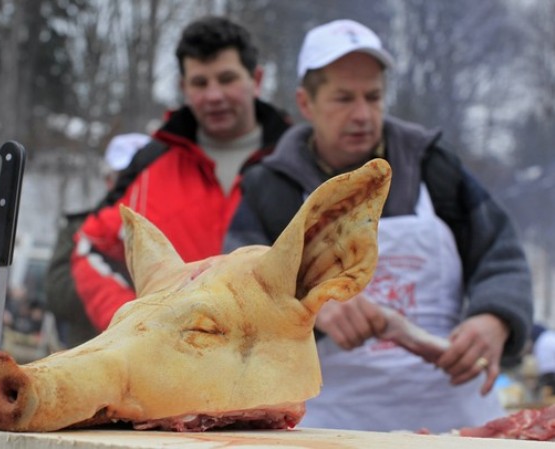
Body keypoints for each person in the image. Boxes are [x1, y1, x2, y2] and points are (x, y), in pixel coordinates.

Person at [225, 19, 533, 433]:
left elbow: (502, 254)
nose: (362, 115)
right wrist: (309, 305)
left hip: (457, 424)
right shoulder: (271, 185)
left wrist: (494, 318)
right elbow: (234, 292)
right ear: (305, 103)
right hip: (327, 427)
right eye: (343, 98)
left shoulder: (432, 165)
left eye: (373, 97)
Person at [71, 15, 291, 332]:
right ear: (183, 87)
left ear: (256, 79)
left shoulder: (297, 160)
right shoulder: (150, 163)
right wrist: (132, 324)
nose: (213, 95)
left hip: (278, 369)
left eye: (227, 78)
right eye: (200, 83)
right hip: (169, 373)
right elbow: (89, 246)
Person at [45, 132, 152, 348]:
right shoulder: (79, 228)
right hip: (92, 354)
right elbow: (57, 294)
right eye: (125, 174)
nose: (132, 182)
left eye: (140, 174)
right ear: (108, 179)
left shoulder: (174, 229)